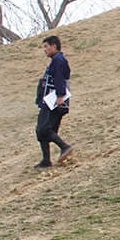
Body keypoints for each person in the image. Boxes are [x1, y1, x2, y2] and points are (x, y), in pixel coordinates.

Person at [34, 34, 72, 169]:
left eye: (46, 46)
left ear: (54, 46)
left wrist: (60, 96)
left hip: (55, 101)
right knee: (42, 131)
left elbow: (59, 79)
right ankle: (46, 160)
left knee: (43, 128)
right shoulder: (56, 60)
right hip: (51, 100)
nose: (45, 49)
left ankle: (65, 147)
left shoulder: (58, 60)